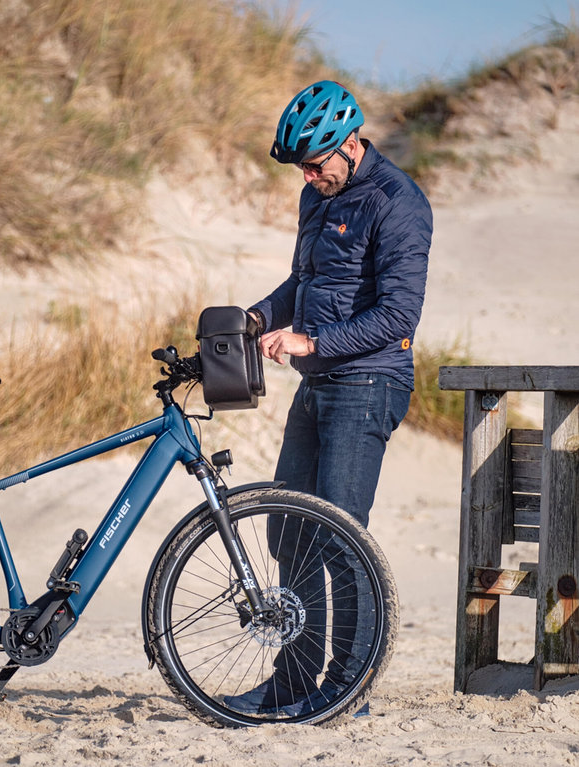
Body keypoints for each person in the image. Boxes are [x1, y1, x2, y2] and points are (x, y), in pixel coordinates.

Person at [224, 80, 432, 716]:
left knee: (343, 537)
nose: (310, 176)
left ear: (350, 142)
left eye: (317, 164)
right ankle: (291, 682)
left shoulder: (399, 202)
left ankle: (349, 691)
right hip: (320, 384)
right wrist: (258, 318)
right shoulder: (316, 197)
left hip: (370, 382)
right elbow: (304, 280)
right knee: (289, 532)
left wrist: (311, 341)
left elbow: (399, 313)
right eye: (302, 168)